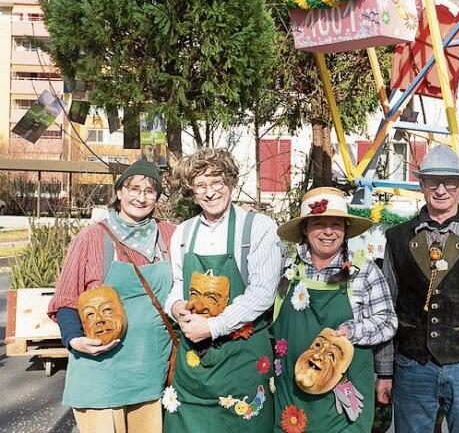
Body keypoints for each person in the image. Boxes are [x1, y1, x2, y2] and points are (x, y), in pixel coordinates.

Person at [374, 145, 459, 433]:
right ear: (421, 184)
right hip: (412, 368)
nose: (440, 190)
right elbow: (385, 311)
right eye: (432, 181)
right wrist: (384, 370)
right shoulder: (397, 239)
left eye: (449, 181)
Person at [49, 159, 176, 433]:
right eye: (133, 188)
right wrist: (73, 338)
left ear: (157, 197)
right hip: (101, 368)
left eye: (150, 191)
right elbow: (66, 298)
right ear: (119, 192)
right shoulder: (92, 238)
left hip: (151, 369)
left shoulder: (170, 235)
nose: (141, 198)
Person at [163, 148, 282, 432]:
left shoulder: (258, 227)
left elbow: (263, 293)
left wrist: (214, 326)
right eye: (200, 186)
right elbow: (178, 283)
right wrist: (177, 308)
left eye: (217, 182)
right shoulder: (184, 232)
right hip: (194, 364)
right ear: (191, 192)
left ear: (231, 181)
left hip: (241, 359)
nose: (210, 192)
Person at [272, 186, 397, 432]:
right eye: (319, 223)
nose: (328, 232)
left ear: (346, 230)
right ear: (305, 229)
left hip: (340, 403)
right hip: (290, 400)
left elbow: (387, 321)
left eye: (336, 224)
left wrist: (352, 330)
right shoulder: (286, 270)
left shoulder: (364, 270)